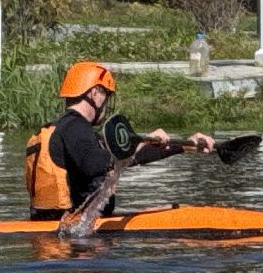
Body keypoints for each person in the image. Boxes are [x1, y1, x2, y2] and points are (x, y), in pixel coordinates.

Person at [25, 61, 215, 220]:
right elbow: (97, 164)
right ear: (95, 94)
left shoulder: (67, 130)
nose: (106, 103)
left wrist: (183, 145)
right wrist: (139, 143)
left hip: (57, 229)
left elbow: (127, 158)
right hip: (77, 244)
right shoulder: (77, 130)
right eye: (106, 95)